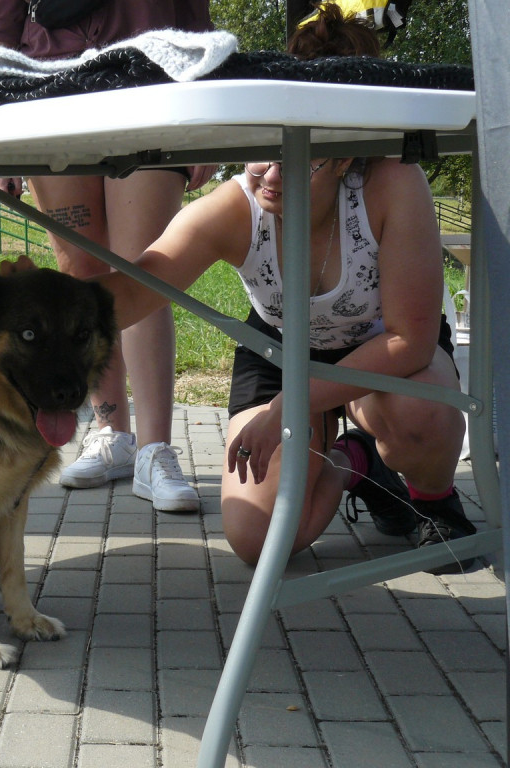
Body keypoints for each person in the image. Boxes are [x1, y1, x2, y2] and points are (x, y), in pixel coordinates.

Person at [96, 3, 476, 570]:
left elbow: (410, 343)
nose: (271, 175)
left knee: (420, 414)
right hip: (279, 350)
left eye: (302, 159)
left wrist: (287, 406)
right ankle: (357, 463)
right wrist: (39, 316)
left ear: (348, 154)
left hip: (384, 361)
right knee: (256, 540)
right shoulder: (232, 207)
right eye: (263, 151)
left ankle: (433, 500)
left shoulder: (393, 182)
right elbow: (134, 291)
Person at [0, 0, 216, 513]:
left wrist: (207, 121)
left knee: (142, 273)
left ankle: (155, 449)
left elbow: (196, 20)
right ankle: (111, 434)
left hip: (151, 85)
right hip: (52, 95)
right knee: (78, 279)